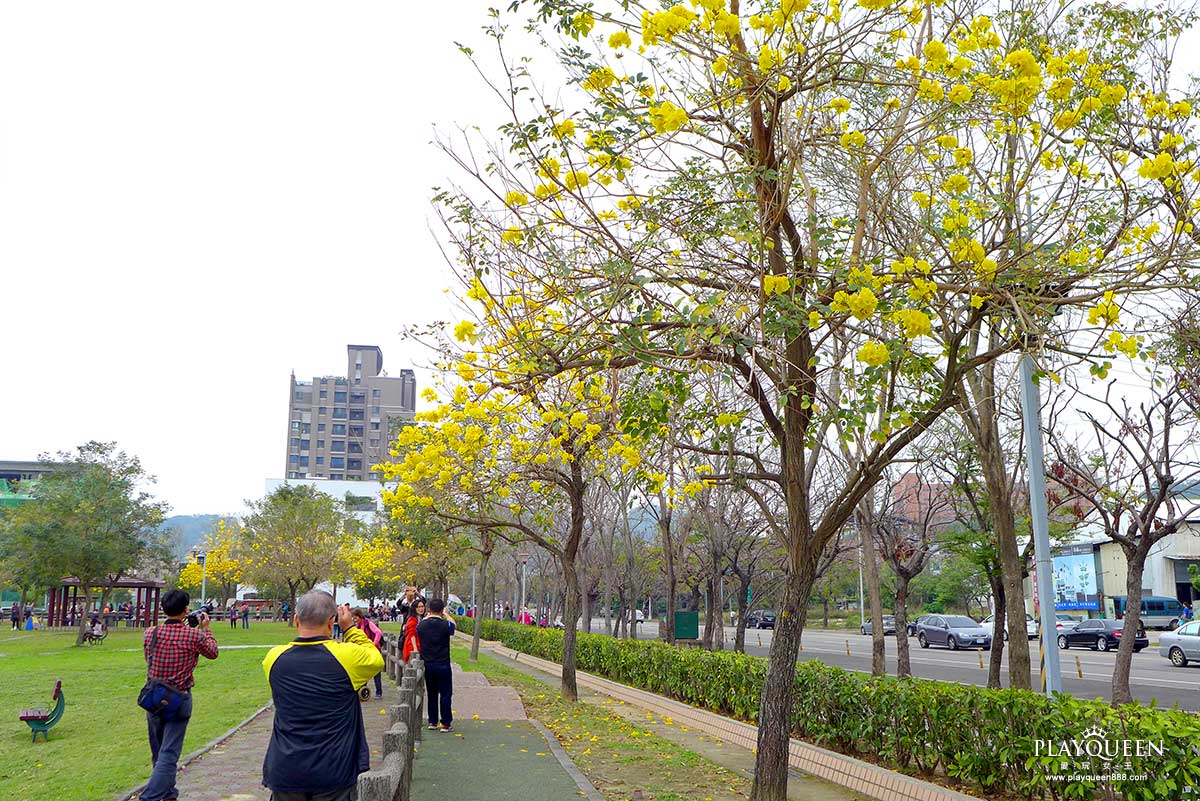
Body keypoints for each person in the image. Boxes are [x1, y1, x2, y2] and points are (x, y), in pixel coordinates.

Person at [262, 592, 384, 801]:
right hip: (334, 770)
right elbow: (375, 658)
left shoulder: (273, 658)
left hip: (286, 768)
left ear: (296, 620)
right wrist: (349, 629)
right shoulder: (347, 657)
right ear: (331, 622)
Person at [140, 589, 219, 801]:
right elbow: (213, 652)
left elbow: (149, 657)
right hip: (179, 697)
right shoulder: (193, 636)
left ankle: (168, 793)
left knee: (158, 751)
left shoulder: (151, 633)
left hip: (154, 696)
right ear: (185, 610)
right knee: (168, 754)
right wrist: (206, 629)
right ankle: (151, 796)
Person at [416, 598, 456, 732]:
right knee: (445, 694)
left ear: (428, 610)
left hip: (428, 664)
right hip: (443, 663)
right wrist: (446, 614)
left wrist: (428, 617)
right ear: (442, 610)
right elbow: (453, 625)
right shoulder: (445, 625)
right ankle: (445, 723)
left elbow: (418, 632)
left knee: (432, 693)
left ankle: (432, 721)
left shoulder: (421, 625)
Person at [351, 607, 385, 699]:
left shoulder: (368, 623)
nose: (354, 619)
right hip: (364, 651)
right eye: (353, 617)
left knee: (376, 672)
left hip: (373, 650)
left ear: (360, 616)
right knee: (363, 671)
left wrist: (374, 644)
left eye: (355, 617)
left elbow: (378, 632)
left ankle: (379, 692)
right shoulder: (357, 627)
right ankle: (363, 690)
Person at [403, 598, 426, 663]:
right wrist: (415, 648)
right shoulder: (412, 619)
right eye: (418, 607)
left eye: (422, 606)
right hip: (412, 645)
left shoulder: (420, 618)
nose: (421, 609)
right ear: (414, 608)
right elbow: (411, 634)